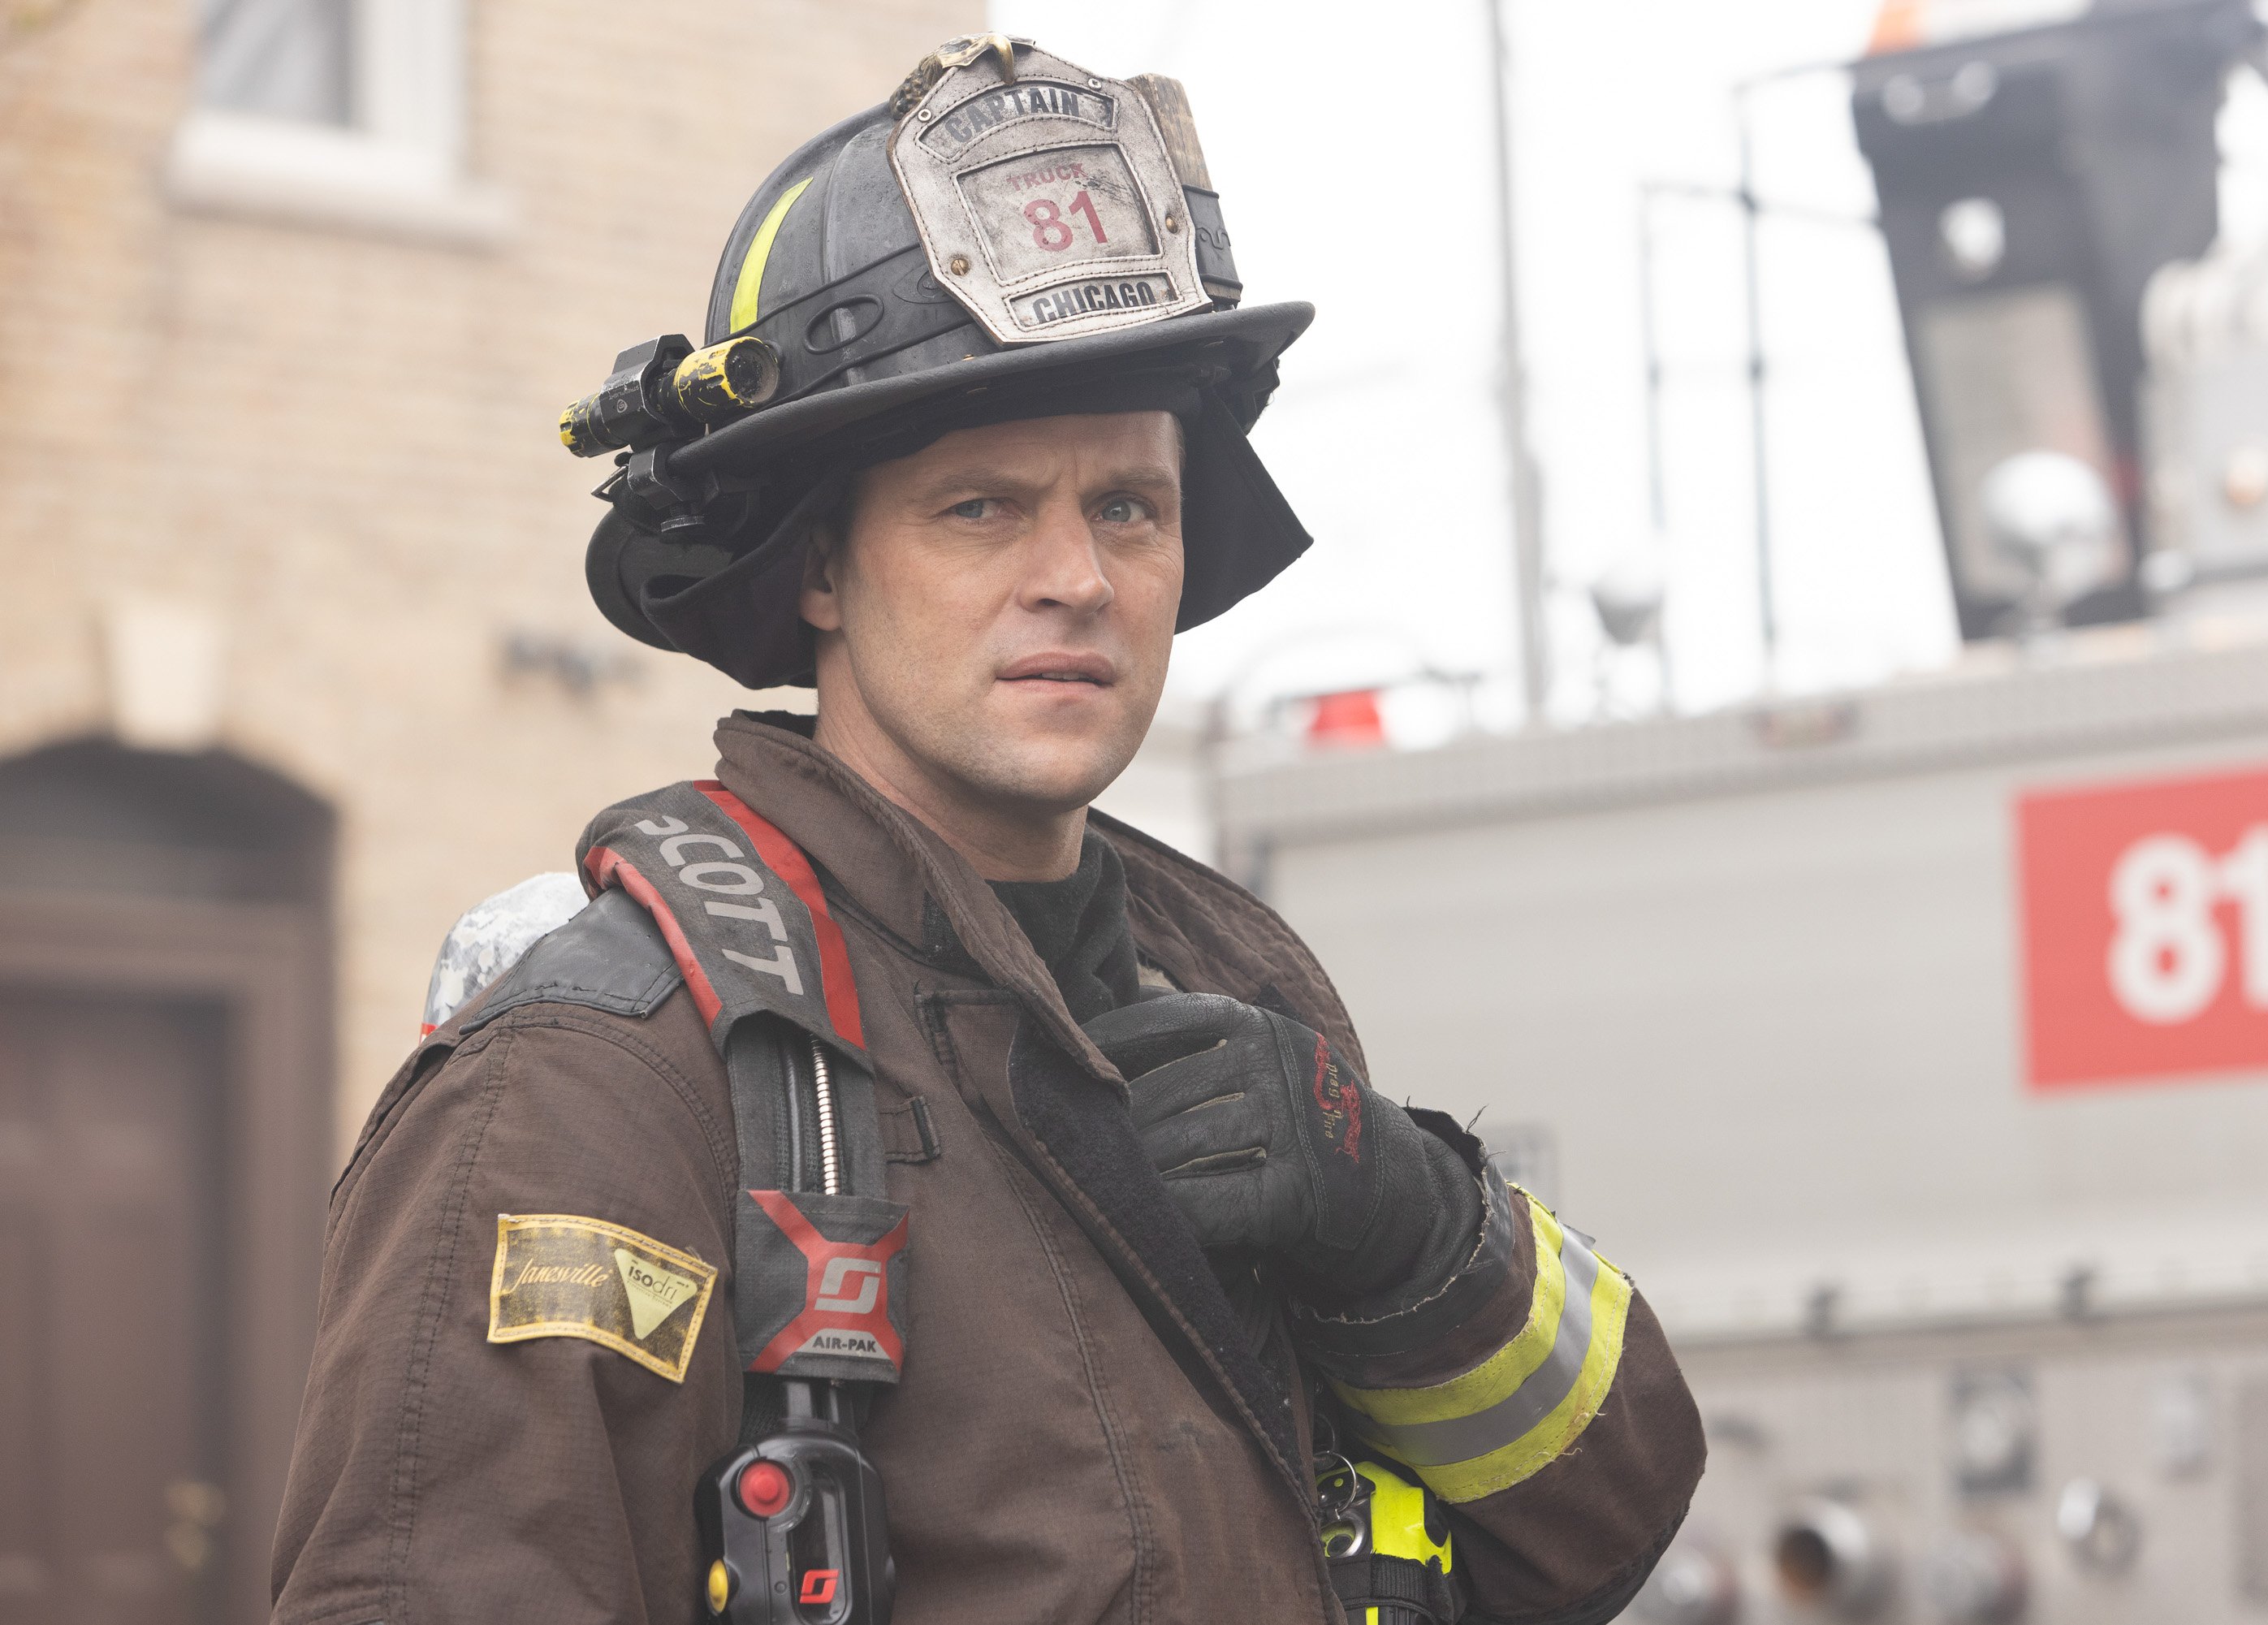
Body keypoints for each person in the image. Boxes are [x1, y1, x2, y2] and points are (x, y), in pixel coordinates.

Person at [270, 37, 1704, 1625]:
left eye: (1128, 506)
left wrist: (1413, 1226)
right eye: (981, 506)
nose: (1077, 575)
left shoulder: (1246, 1003)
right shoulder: (598, 1086)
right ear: (820, 568)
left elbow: (1604, 1512)